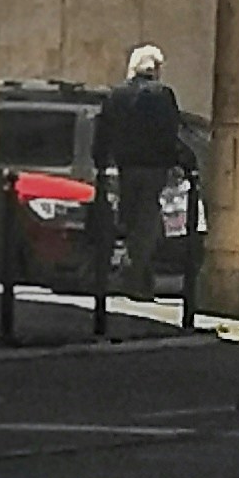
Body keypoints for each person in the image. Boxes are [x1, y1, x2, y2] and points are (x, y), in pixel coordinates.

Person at [92, 42, 186, 301]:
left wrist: (100, 161)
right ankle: (134, 275)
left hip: (126, 166)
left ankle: (138, 276)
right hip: (154, 167)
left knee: (132, 218)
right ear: (155, 68)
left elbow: (104, 129)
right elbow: (171, 131)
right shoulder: (163, 95)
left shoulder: (117, 95)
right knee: (147, 222)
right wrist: (177, 161)